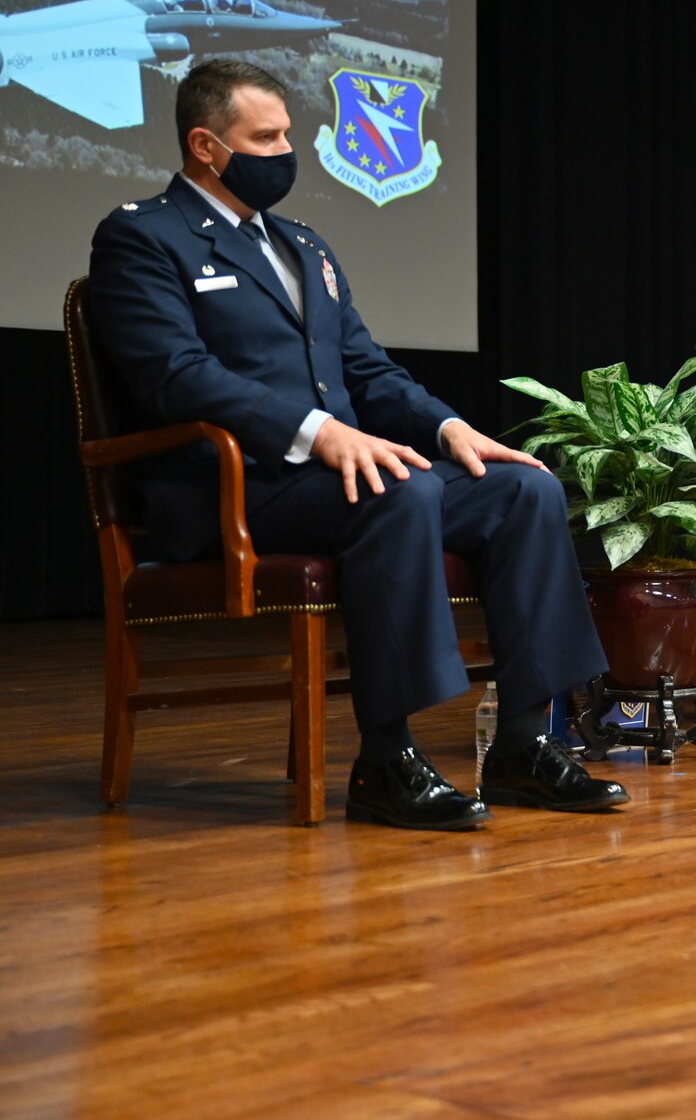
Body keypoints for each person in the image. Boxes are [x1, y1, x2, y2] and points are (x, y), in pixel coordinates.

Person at [88, 59, 626, 831]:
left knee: (523, 489)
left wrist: (450, 428)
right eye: (265, 136)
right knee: (396, 491)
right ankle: (386, 758)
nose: (286, 150)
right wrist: (318, 431)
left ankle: (524, 744)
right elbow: (176, 376)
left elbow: (367, 371)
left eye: (288, 134)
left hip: (335, 478)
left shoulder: (305, 244)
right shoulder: (144, 235)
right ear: (205, 145)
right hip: (232, 484)